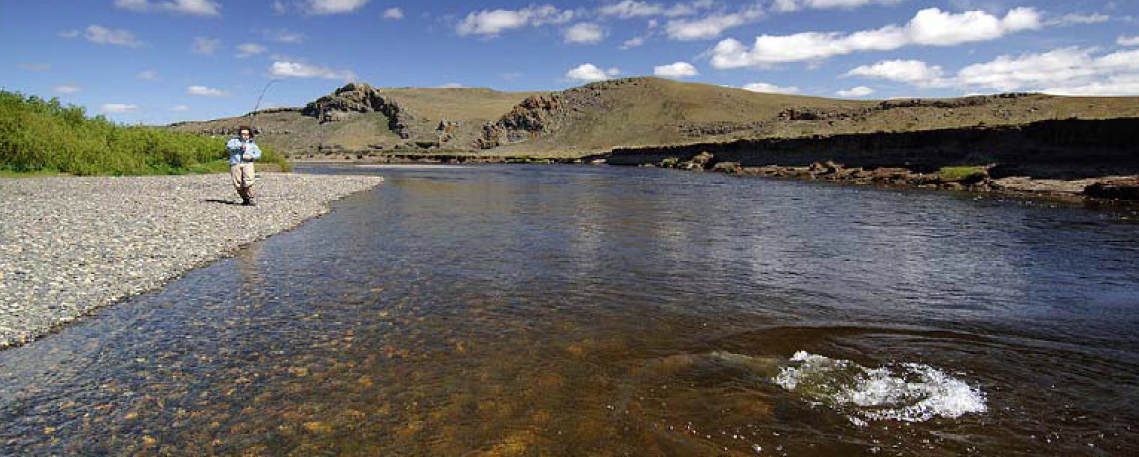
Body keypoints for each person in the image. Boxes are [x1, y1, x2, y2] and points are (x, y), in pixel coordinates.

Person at [226, 125, 262, 206]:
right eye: (242, 134)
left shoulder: (252, 144)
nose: (244, 136)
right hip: (235, 163)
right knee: (237, 183)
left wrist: (252, 156)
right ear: (239, 134)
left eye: (246, 134)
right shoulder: (234, 141)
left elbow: (258, 153)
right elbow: (228, 146)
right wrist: (239, 146)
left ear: (249, 135)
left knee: (249, 181)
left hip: (248, 163)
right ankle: (245, 199)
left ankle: (251, 198)